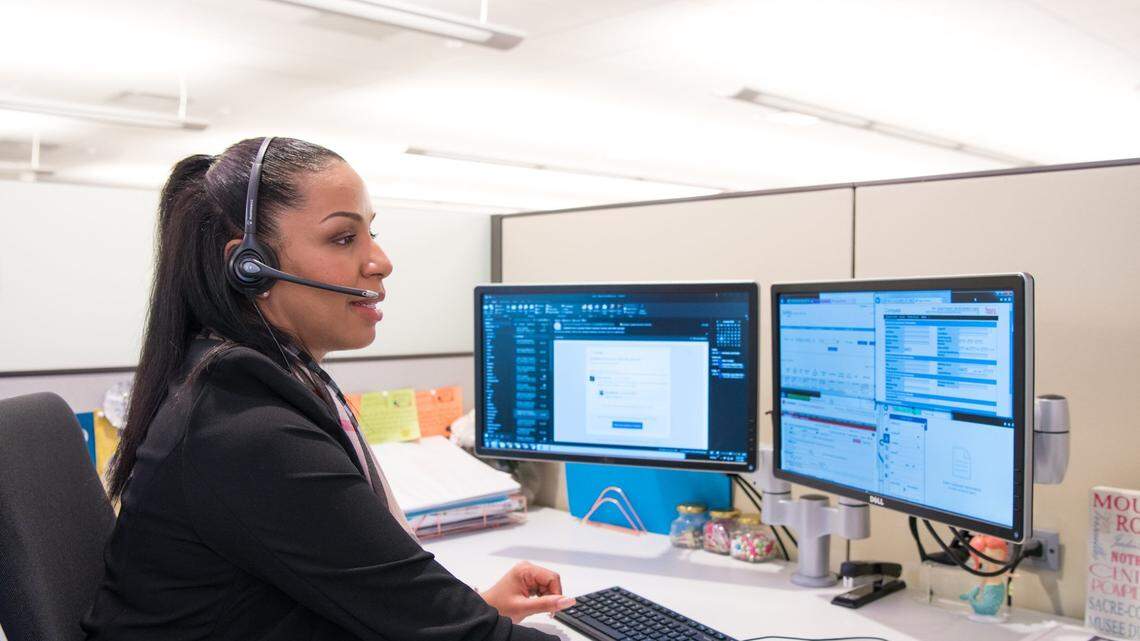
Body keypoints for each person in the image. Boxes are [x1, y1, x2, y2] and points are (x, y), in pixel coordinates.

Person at [81, 137, 571, 640]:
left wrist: (470, 608)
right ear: (249, 267)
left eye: (370, 233)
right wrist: (467, 622)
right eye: (343, 238)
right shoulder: (247, 432)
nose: (380, 261)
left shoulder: (250, 383)